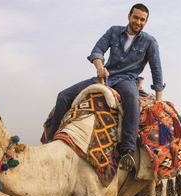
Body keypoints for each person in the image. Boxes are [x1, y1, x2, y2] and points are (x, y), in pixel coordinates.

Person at [47, 3, 165, 171]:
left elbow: (156, 69)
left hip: (127, 80)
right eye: (136, 17)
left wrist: (159, 99)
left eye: (142, 19)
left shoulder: (150, 42)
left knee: (132, 99)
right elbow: (97, 50)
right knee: (64, 96)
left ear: (146, 22)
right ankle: (52, 142)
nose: (138, 22)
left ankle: (127, 151)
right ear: (129, 16)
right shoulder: (114, 31)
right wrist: (99, 67)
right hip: (105, 76)